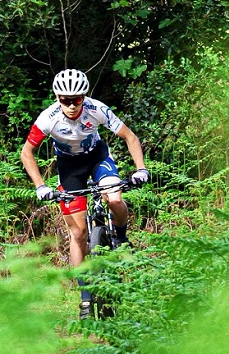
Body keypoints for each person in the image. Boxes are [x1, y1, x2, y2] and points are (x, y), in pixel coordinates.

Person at [20, 68, 150, 316]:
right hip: (69, 168)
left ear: (84, 97)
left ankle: (121, 237)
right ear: (58, 98)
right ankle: (85, 296)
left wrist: (140, 169)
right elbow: (27, 153)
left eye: (76, 99)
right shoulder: (48, 118)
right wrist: (40, 186)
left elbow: (130, 137)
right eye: (65, 100)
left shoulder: (96, 109)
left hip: (97, 158)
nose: (70, 105)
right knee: (78, 233)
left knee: (114, 198)